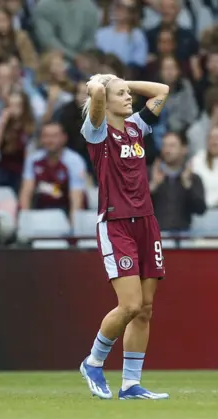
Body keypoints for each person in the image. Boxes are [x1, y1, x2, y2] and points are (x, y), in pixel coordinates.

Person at [79, 73, 171, 400]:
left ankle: (131, 384)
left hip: (146, 221)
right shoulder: (97, 131)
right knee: (129, 304)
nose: (128, 97)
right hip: (116, 223)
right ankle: (93, 362)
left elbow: (162, 90)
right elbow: (95, 96)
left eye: (128, 93)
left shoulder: (136, 127)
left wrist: (123, 82)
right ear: (106, 100)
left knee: (145, 308)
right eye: (122, 94)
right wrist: (100, 85)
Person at [19, 122, 87, 221]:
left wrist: (73, 228)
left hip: (66, 211)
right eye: (46, 136)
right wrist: (25, 221)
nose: (50, 140)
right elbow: (26, 192)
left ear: (64, 138)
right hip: (41, 211)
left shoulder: (74, 161)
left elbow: (76, 198)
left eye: (54, 136)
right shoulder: (33, 160)